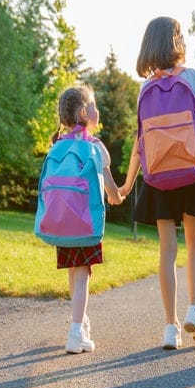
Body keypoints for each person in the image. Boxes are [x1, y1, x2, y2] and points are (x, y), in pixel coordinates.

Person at [119, 16, 195, 350]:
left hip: (159, 175)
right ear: (176, 42)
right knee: (194, 241)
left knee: (167, 250)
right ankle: (194, 308)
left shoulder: (144, 89)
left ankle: (170, 327)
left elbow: (140, 143)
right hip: (189, 170)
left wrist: (126, 184)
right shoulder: (192, 78)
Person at [51, 83, 124, 354]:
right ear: (83, 112)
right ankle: (75, 332)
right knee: (83, 276)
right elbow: (111, 191)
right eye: (93, 105)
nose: (98, 109)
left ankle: (80, 321)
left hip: (62, 222)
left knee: (74, 272)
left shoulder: (58, 145)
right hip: (85, 222)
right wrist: (120, 195)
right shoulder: (95, 146)